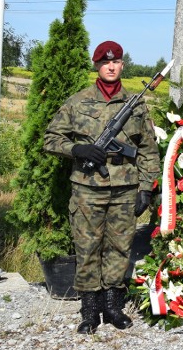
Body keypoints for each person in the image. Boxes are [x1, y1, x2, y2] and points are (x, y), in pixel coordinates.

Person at [44, 41, 160, 334]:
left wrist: (146, 188)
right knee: (87, 248)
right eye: (105, 62)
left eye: (117, 62)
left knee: (119, 247)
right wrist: (78, 149)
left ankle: (113, 307)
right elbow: (51, 140)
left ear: (122, 65)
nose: (111, 66)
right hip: (88, 188)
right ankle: (89, 311)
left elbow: (148, 149)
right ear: (97, 65)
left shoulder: (135, 104)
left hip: (125, 188)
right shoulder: (77, 101)